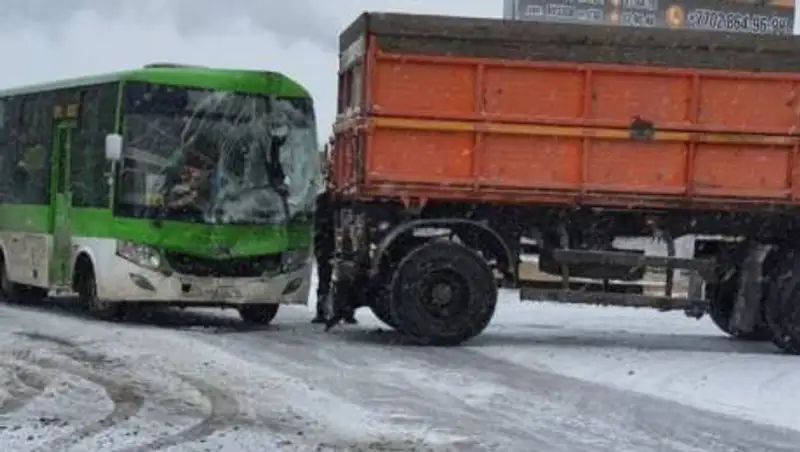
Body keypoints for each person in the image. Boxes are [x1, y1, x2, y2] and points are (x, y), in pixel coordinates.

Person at [311, 152, 356, 325]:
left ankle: (340, 310)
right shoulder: (336, 202)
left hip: (332, 245)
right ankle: (329, 311)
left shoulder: (330, 201)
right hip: (330, 245)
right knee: (330, 278)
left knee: (337, 279)